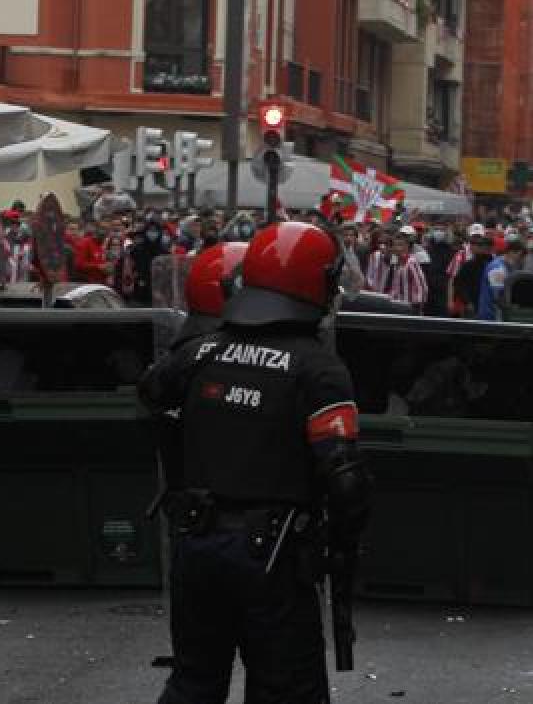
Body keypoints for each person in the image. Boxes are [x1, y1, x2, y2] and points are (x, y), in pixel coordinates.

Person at [139, 222, 371, 704]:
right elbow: (345, 480)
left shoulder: (200, 352)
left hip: (196, 544)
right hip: (274, 555)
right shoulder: (319, 368)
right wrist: (342, 547)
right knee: (286, 691)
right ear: (317, 284)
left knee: (193, 682)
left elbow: (153, 393)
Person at [366, 233, 427, 310]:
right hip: (398, 306)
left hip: (410, 307)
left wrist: (417, 308)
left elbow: (422, 288)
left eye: (400, 245)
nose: (398, 248)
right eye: (396, 245)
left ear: (407, 246)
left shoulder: (411, 262)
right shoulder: (396, 264)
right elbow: (395, 287)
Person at [476, 239, 525, 321]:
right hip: (490, 317)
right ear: (511, 252)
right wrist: (513, 306)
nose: (520, 260)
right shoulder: (497, 268)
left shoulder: (508, 268)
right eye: (520, 256)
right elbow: (498, 296)